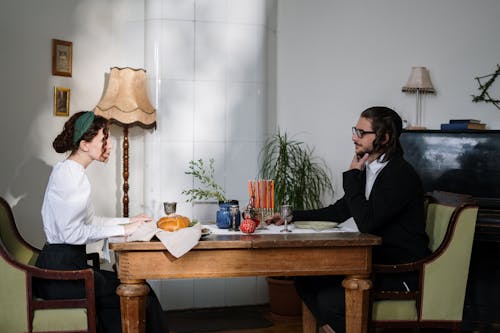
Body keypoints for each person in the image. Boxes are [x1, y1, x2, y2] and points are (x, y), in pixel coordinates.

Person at [266, 106, 430, 333]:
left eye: (362, 133)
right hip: (374, 263)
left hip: (398, 271)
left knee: (328, 300)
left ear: (385, 137)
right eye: (355, 130)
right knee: (304, 279)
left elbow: (367, 223)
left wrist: (352, 176)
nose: (354, 137)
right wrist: (291, 216)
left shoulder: (399, 174)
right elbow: (338, 211)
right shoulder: (371, 169)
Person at [35, 111, 169, 333]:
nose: (108, 145)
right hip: (60, 277)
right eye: (103, 139)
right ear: (85, 145)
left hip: (65, 268)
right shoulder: (70, 176)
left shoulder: (70, 171)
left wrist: (128, 221)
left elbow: (90, 221)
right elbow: (71, 234)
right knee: (139, 292)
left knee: (125, 295)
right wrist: (123, 229)